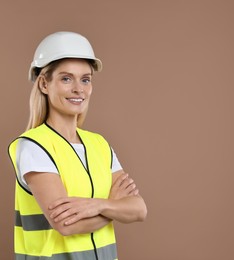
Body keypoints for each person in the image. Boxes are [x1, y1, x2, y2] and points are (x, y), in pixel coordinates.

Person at [8, 31, 147, 260]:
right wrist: (113, 206)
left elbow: (139, 210)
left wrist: (98, 206)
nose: (78, 89)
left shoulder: (99, 145)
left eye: (85, 79)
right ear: (44, 83)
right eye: (66, 78)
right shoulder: (34, 147)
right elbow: (66, 225)